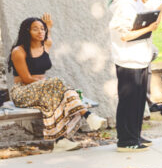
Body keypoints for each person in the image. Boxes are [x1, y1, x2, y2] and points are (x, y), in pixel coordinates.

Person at [8, 15, 106, 151]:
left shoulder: (46, 44)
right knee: (58, 84)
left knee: (65, 95)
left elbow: (47, 36)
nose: (40, 32)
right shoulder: (19, 51)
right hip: (22, 92)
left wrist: (48, 27)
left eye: (42, 29)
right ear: (27, 31)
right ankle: (88, 115)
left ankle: (60, 141)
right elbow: (26, 79)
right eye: (35, 29)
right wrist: (49, 84)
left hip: (44, 91)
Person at [108, 0, 162, 153]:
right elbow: (125, 35)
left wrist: (160, 10)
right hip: (128, 60)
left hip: (141, 58)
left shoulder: (136, 2)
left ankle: (135, 134)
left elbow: (147, 19)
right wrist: (148, 28)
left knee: (139, 99)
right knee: (128, 100)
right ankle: (125, 140)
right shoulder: (123, 5)